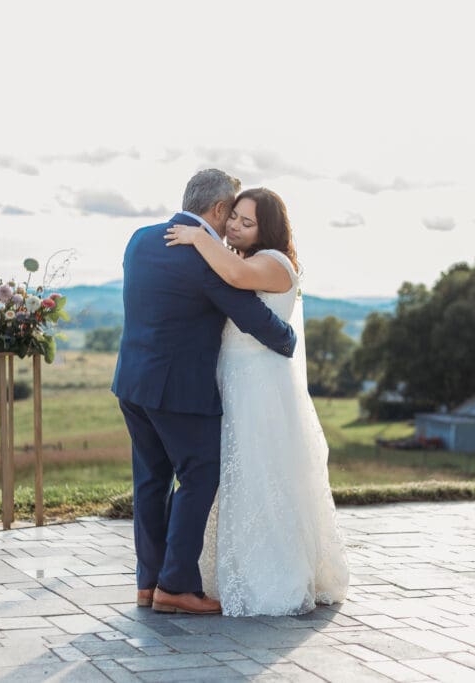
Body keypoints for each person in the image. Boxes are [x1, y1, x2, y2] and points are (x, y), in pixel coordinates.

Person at [112, 170, 297, 615]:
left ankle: (148, 581)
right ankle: (176, 586)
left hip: (132, 382)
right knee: (199, 476)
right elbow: (249, 314)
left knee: (151, 481)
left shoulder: (139, 239)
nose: (231, 222)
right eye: (230, 211)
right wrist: (288, 342)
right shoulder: (203, 257)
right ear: (217, 210)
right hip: (178, 390)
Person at [165, 187, 350, 617]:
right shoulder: (242, 257)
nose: (234, 226)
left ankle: (272, 576)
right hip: (231, 377)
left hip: (260, 385)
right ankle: (223, 571)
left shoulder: (275, 264)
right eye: (234, 218)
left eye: (247, 223)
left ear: (268, 230)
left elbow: (233, 278)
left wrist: (198, 237)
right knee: (232, 476)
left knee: (260, 474)